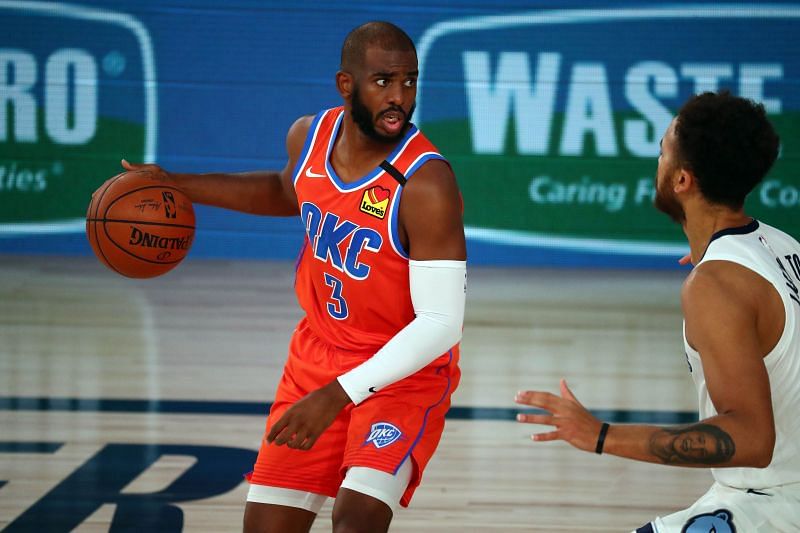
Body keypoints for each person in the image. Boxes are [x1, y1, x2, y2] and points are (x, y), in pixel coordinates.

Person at [112, 21, 466, 533]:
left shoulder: (426, 182)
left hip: (402, 373)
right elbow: (285, 190)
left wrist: (337, 396)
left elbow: (440, 324)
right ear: (347, 85)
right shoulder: (309, 136)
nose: (399, 97)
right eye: (383, 82)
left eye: (409, 82)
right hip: (317, 355)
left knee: (354, 524)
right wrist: (177, 184)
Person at [515, 91, 800, 532]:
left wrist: (601, 435)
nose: (658, 161)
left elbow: (753, 440)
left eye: (663, 149)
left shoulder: (718, 284)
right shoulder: (781, 246)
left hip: (771, 505)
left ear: (682, 180)